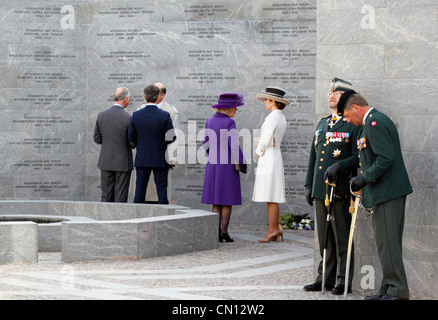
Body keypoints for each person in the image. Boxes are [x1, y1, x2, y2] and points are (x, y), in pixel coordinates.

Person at [339, 90, 412, 300]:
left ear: (356, 108)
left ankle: (397, 291)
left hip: (388, 192)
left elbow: (386, 157)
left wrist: (365, 178)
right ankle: (387, 289)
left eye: (347, 115)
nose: (347, 121)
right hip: (384, 191)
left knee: (388, 242)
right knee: (385, 243)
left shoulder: (374, 123)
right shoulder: (369, 123)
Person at [303, 78, 360, 295]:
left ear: (346, 98)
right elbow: (313, 156)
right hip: (321, 189)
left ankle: (343, 280)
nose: (331, 96)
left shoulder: (352, 124)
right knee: (325, 237)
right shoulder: (322, 123)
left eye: (337, 93)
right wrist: (310, 183)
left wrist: (340, 165)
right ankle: (323, 278)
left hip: (341, 189)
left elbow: (358, 157)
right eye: (330, 92)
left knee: (342, 236)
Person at [201, 93, 246, 242]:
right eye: (235, 108)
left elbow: (205, 143)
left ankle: (215, 233)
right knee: (226, 200)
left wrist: (212, 154)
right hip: (226, 166)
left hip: (213, 164)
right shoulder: (229, 123)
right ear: (229, 109)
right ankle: (224, 232)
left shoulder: (209, 121)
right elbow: (234, 145)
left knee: (216, 200)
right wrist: (242, 161)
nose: (236, 111)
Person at [252, 86, 289, 243]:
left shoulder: (272, 117)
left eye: (266, 100)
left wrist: (257, 153)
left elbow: (266, 139)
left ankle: (273, 230)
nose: (265, 102)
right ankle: (275, 229)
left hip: (269, 158)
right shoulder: (280, 116)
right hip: (275, 156)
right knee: (272, 195)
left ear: (273, 101)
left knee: (270, 196)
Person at [128, 84, 176, 204]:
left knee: (140, 189)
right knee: (162, 190)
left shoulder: (136, 114)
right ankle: (163, 219)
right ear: (157, 97)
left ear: (145, 97)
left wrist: (140, 144)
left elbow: (131, 137)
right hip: (160, 157)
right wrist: (162, 144)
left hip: (142, 157)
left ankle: (137, 218)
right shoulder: (164, 115)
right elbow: (172, 136)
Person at [93, 87, 133, 203]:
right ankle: (119, 220)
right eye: (129, 99)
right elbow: (132, 142)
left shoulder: (101, 115)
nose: (129, 101)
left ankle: (104, 220)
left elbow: (97, 138)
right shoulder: (128, 118)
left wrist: (108, 144)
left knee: (106, 195)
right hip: (123, 162)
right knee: (121, 196)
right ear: (125, 99)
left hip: (106, 161)